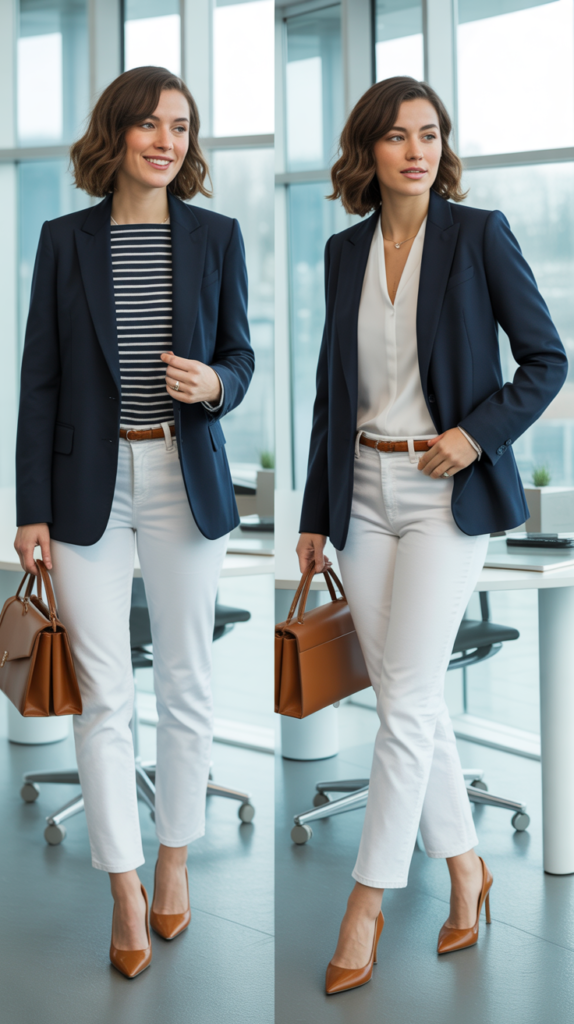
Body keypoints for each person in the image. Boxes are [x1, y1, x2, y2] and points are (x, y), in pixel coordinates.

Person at [296, 76, 567, 995]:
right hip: (362, 490)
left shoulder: (479, 234)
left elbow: (548, 359)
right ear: (368, 151)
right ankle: (467, 869)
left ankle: (365, 902)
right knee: (406, 700)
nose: (417, 150)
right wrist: (314, 515)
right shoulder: (343, 252)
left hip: (444, 492)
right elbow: (332, 391)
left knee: (406, 701)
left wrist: (475, 434)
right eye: (398, 136)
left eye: (430, 134)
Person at [14, 66, 254, 979]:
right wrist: (30, 508)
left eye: (180, 126)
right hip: (87, 485)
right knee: (104, 692)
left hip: (181, 474)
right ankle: (122, 884)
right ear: (115, 134)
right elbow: (39, 380)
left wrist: (217, 383)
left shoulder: (217, 236)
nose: (166, 140)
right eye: (149, 124)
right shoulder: (64, 239)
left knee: (187, 680)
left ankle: (174, 857)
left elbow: (240, 353)